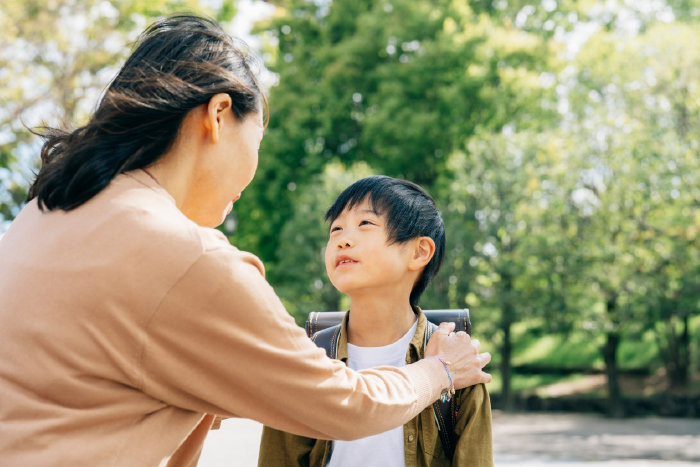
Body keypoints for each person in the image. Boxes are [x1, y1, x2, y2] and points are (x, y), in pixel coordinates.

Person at [0, 14, 492, 467]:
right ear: (218, 115)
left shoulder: (45, 214)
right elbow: (346, 405)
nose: (253, 170)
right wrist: (440, 372)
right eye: (257, 140)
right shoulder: (186, 256)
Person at [258, 176, 493, 466]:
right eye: (336, 229)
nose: (343, 239)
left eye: (365, 224)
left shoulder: (459, 366)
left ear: (420, 251)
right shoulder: (306, 359)